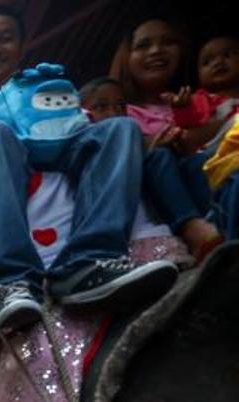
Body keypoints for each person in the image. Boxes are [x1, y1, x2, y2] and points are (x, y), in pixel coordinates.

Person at [0, 4, 177, 332]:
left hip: (57, 152)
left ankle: (91, 260)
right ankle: (11, 280)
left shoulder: (46, 89)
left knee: (121, 129)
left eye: (5, 39)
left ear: (21, 48)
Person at [105, 19, 223, 259]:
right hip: (156, 203)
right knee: (159, 157)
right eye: (143, 45)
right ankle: (192, 227)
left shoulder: (202, 101)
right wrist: (151, 144)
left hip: (205, 178)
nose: (156, 51)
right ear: (126, 58)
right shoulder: (117, 111)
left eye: (168, 42)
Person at [80, 75, 222, 262]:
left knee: (194, 162)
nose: (113, 113)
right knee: (159, 157)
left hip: (162, 192)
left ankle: (218, 222)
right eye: (101, 107)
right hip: (137, 213)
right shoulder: (84, 140)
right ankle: (192, 228)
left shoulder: (134, 133)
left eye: (120, 106)